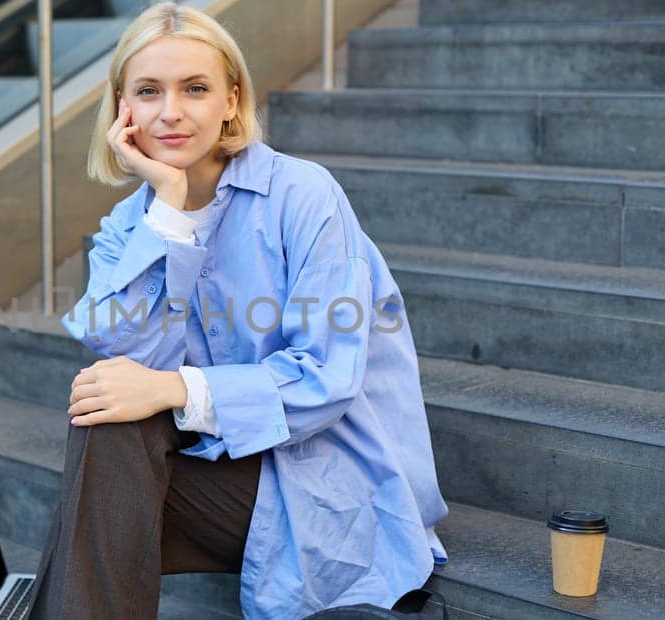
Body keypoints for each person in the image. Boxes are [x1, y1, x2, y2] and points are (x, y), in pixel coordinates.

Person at [29, 3, 450, 618]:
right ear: (123, 108)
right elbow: (127, 366)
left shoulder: (304, 196)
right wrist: (169, 215)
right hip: (221, 472)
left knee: (100, 486)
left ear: (231, 98)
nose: (170, 111)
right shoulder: (130, 227)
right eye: (149, 91)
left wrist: (175, 388)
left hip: (326, 481)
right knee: (108, 414)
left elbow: (324, 379)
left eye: (194, 88)